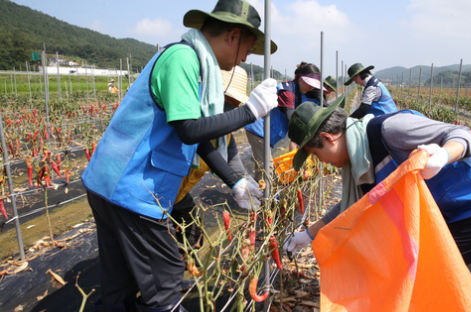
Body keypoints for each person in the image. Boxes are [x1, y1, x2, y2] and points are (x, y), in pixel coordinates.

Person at [81, 1, 277, 311]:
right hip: (132, 187)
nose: (243, 58)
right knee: (165, 281)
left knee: (121, 284)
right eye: (247, 50)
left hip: (115, 184)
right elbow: (189, 129)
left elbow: (198, 139)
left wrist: (234, 180)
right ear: (233, 36)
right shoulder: (182, 58)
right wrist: (250, 112)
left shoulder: (197, 67)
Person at [283, 97, 471, 265]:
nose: (321, 162)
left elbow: (462, 134)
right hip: (453, 209)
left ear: (328, 138)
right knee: (411, 267)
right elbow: (353, 206)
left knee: (427, 272)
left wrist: (443, 155)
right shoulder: (360, 163)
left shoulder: (390, 131)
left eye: (316, 154)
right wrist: (309, 234)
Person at [171, 65, 253, 249]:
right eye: (226, 99)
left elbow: (234, 165)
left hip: (177, 194)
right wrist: (234, 181)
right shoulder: (188, 120)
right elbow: (199, 142)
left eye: (234, 103)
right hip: (154, 193)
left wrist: (248, 187)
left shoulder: (224, 135)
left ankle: (188, 260)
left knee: (191, 237)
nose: (229, 107)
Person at [244, 62, 327, 181]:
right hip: (258, 130)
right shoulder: (287, 92)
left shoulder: (298, 91)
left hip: (266, 132)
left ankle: (261, 192)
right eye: (310, 84)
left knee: (263, 166)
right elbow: (291, 118)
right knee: (267, 167)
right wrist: (305, 140)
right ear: (301, 79)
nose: (311, 88)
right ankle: (264, 197)